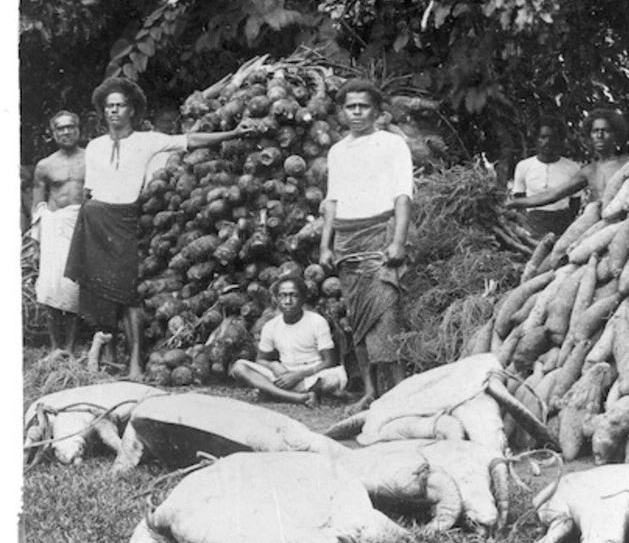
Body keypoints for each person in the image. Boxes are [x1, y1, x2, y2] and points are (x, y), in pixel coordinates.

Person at [65, 76, 260, 380]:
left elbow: (190, 140)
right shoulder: (94, 146)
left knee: (127, 293)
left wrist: (232, 132)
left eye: (120, 106)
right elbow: (89, 191)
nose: (113, 112)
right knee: (98, 290)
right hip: (94, 220)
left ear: (132, 110)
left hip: (123, 220)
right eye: (108, 107)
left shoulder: (147, 140)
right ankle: (109, 355)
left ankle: (134, 364)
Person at [319, 78, 413, 411]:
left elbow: (403, 196)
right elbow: (332, 201)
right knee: (357, 319)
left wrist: (398, 241)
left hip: (380, 236)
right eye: (350, 107)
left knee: (386, 315)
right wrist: (325, 246)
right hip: (346, 241)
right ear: (342, 112)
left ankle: (400, 395)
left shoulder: (392, 144)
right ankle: (371, 393)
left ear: (376, 110)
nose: (357, 112)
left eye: (363, 106)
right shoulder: (337, 150)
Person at [230, 274, 348, 406]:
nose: (288, 301)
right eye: (283, 296)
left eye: (294, 295)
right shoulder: (271, 326)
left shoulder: (317, 321)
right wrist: (273, 365)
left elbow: (329, 361)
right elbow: (261, 360)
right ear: (276, 299)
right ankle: (295, 398)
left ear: (303, 298)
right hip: (283, 375)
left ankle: (271, 392)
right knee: (239, 367)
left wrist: (298, 375)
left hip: (311, 374)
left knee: (332, 379)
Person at [30, 111, 86, 354]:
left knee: (73, 285)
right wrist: (35, 241)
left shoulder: (91, 158)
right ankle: (55, 347)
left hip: (80, 224)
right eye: (60, 129)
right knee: (51, 286)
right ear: (53, 134)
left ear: (78, 129)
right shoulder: (45, 165)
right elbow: (38, 204)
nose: (66, 132)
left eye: (70, 127)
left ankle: (71, 347)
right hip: (54, 227)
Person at [510, 108, 629, 215]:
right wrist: (511, 203)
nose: (600, 135)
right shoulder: (589, 171)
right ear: (590, 136)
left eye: (606, 130)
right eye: (595, 131)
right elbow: (552, 195)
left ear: (616, 135)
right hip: (599, 223)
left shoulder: (628, 163)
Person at [507, 119, 581, 237]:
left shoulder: (572, 168)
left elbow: (575, 202)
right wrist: (526, 227)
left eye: (553, 138)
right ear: (536, 140)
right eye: (543, 137)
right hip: (532, 223)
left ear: (560, 141)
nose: (548, 142)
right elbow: (519, 199)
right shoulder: (524, 166)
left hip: (562, 223)